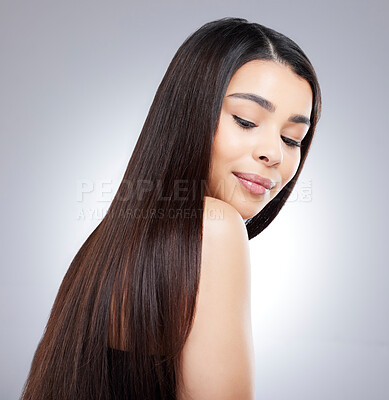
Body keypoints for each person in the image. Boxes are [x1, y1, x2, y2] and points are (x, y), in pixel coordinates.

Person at [20, 17, 321, 400]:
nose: (274, 153)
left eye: (292, 137)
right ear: (190, 111)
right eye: (246, 121)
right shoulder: (215, 229)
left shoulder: (105, 248)